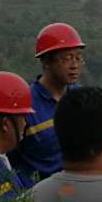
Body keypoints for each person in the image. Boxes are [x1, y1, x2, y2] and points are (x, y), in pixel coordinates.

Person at [14, 22, 86, 181]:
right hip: (37, 197)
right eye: (67, 58)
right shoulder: (24, 105)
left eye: (78, 58)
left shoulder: (82, 97)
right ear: (46, 62)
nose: (74, 65)